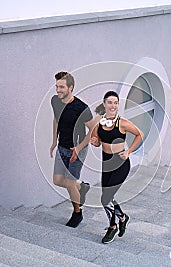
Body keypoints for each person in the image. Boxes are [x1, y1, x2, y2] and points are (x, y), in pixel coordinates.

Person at [90, 91, 143, 244]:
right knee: (107, 197)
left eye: (115, 102)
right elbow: (97, 141)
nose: (113, 105)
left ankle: (112, 226)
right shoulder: (98, 123)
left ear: (118, 105)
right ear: (104, 104)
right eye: (110, 102)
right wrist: (95, 142)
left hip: (120, 163)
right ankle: (123, 218)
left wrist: (128, 151)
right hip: (106, 163)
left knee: (105, 198)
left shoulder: (123, 123)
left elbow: (140, 134)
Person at [50, 71, 94, 228]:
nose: (58, 90)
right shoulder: (55, 101)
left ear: (71, 87)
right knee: (57, 181)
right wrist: (54, 141)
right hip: (62, 148)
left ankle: (77, 213)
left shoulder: (81, 108)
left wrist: (79, 148)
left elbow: (93, 129)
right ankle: (82, 187)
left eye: (62, 87)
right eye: (57, 87)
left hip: (78, 150)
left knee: (69, 183)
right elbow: (56, 119)